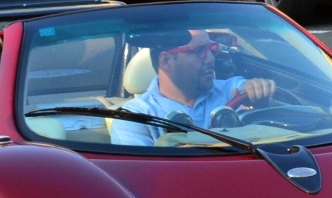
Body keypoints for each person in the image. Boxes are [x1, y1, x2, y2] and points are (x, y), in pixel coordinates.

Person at [110, 30, 276, 147]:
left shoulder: (230, 89)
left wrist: (258, 90)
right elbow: (141, 174)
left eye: (211, 49)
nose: (210, 59)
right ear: (166, 61)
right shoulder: (134, 116)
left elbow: (245, 86)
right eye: (198, 51)